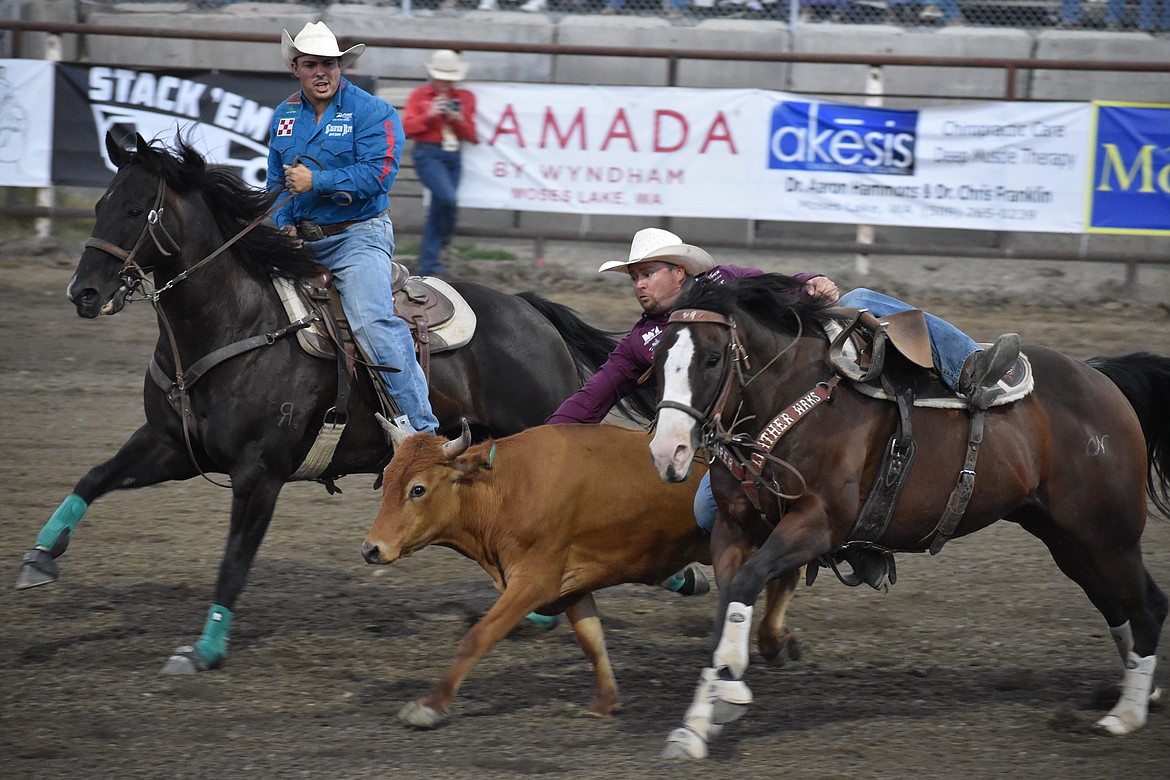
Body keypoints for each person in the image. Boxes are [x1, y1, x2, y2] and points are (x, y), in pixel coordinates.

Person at [548, 227, 1019, 537]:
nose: (639, 286)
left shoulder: (723, 284)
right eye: (634, 277)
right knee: (707, 513)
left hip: (795, 420)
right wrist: (538, 441)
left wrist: (812, 281)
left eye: (648, 273)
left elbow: (780, 286)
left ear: (678, 271)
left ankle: (968, 364)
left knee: (859, 296)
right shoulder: (641, 341)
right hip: (740, 451)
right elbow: (595, 395)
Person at [266, 21, 439, 436]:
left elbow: (379, 175)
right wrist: (282, 223)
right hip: (301, 240)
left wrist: (316, 181)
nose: (321, 72)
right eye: (312, 64)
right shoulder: (284, 115)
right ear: (296, 68)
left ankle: (422, 433)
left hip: (357, 236)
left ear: (342, 67)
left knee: (371, 322)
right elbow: (275, 181)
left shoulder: (373, 112)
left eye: (330, 64)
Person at [402, 50, 479, 277]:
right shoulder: (419, 95)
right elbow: (408, 129)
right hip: (428, 154)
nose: (446, 83)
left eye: (449, 78)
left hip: (453, 154)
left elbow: (471, 134)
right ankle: (440, 246)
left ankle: (429, 262)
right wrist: (431, 114)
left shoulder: (465, 98)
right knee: (447, 199)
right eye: (442, 77)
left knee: (440, 206)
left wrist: (458, 119)